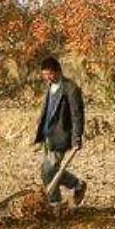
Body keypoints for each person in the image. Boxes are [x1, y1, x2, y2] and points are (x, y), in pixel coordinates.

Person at [33, 56, 88, 206]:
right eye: (44, 74)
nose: (47, 77)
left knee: (49, 169)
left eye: (49, 74)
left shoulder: (71, 89)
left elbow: (77, 115)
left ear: (58, 71)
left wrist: (77, 138)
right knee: (49, 170)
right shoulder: (50, 87)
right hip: (47, 135)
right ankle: (77, 185)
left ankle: (54, 202)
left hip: (61, 136)